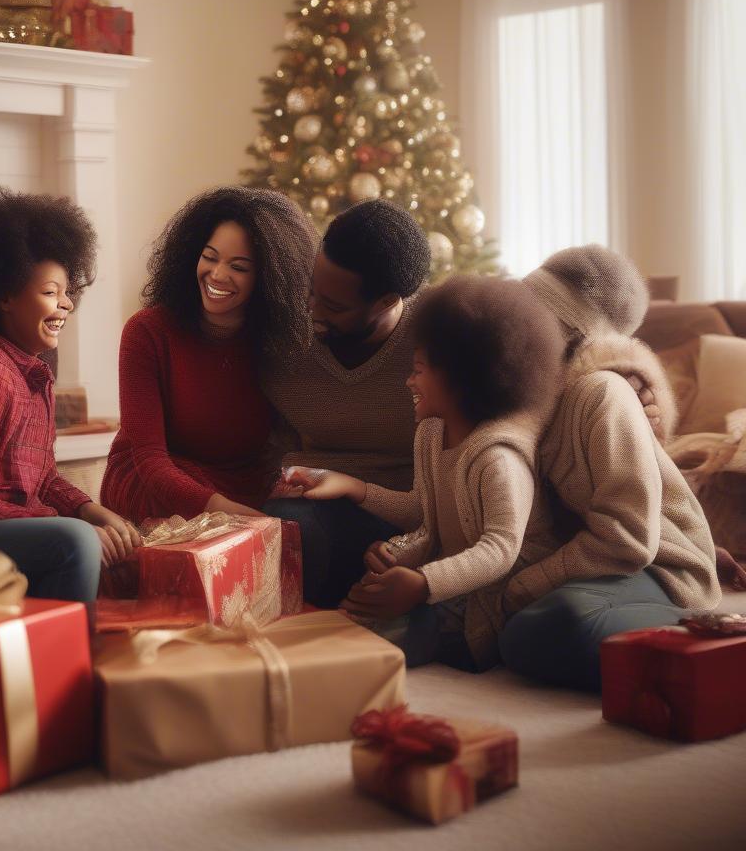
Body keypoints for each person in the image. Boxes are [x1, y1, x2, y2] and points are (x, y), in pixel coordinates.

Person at [285, 275, 565, 671]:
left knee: (393, 635)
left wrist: (422, 584)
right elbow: (422, 509)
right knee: (356, 615)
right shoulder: (432, 433)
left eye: (418, 369)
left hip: (501, 594)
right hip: (450, 583)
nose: (408, 381)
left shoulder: (498, 457)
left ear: (461, 378)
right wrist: (352, 488)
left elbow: (500, 549)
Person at [498, 245, 722, 691]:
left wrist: (529, 585)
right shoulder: (526, 392)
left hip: (657, 569)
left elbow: (630, 538)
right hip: (589, 566)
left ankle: (708, 646)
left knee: (543, 628)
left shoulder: (600, 394)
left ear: (569, 331)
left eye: (534, 314)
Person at [0, 187, 141, 605]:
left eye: (68, 292)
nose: (67, 304)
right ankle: (65, 659)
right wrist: (54, 521)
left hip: (6, 530)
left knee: (96, 534)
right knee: (74, 541)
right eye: (51, 292)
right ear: (5, 296)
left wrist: (90, 510)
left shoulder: (34, 375)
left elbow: (44, 477)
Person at [100, 187, 316, 524]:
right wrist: (247, 520)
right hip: (155, 481)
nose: (216, 275)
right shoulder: (147, 331)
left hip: (242, 483)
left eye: (239, 267)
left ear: (269, 279)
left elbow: (287, 446)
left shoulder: (280, 341)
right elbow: (151, 462)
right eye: (210, 256)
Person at [263, 199, 430, 606]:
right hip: (311, 509)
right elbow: (265, 441)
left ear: (388, 301)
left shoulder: (435, 335)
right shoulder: (283, 338)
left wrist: (415, 543)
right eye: (312, 292)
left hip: (408, 513)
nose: (312, 312)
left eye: (334, 306)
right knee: (286, 530)